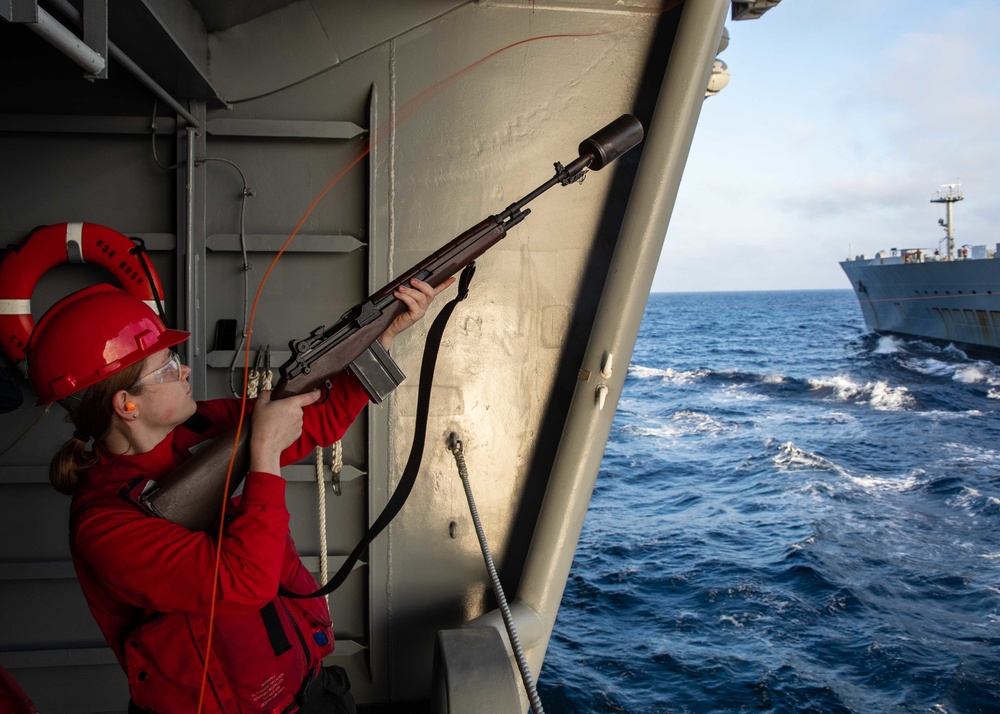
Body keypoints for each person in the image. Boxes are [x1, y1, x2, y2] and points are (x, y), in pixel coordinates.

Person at [26, 277, 453, 713]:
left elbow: (316, 422)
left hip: (308, 687)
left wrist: (383, 333)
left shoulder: (199, 426)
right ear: (126, 405)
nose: (185, 369)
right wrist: (264, 452)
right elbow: (244, 585)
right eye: (167, 368)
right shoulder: (104, 525)